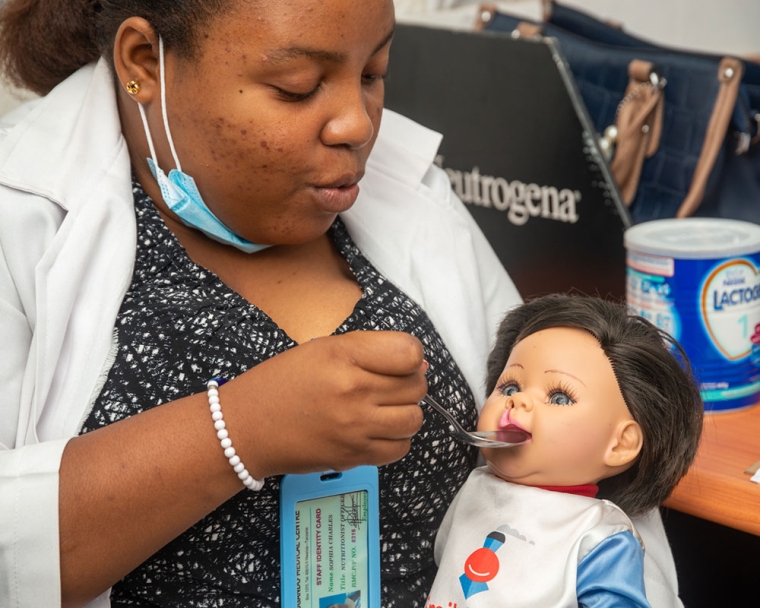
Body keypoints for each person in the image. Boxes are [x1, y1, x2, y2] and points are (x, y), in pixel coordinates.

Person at [0, 2, 681, 608]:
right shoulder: (22, 211)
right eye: (296, 87)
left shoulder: (406, 194)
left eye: (374, 73)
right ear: (145, 62)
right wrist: (237, 432)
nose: (357, 124)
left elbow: (583, 467)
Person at [427, 294, 704, 607]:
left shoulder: (596, 538)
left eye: (559, 397)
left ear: (620, 444)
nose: (517, 401)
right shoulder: (474, 488)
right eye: (510, 387)